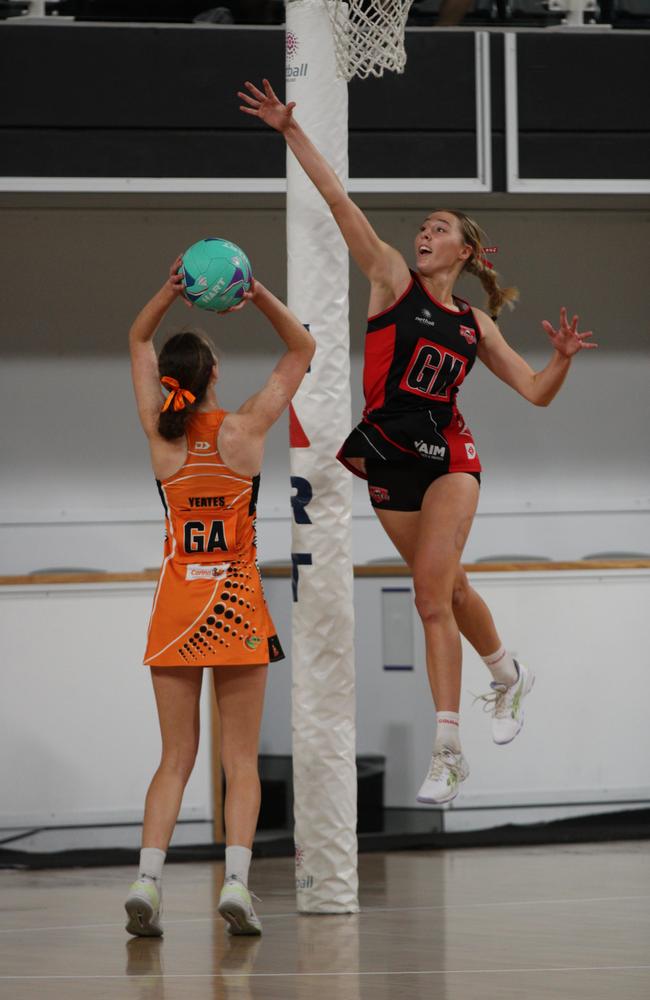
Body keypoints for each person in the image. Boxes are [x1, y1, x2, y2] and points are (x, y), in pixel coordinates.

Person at [239, 78, 597, 805]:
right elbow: (341, 202)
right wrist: (289, 130)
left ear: (466, 249)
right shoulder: (389, 280)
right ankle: (508, 674)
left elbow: (531, 393)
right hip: (385, 453)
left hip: (449, 457)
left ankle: (447, 750)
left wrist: (558, 362)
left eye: (438, 227)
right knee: (451, 587)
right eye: (422, 227)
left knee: (429, 597)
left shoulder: (473, 322)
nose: (423, 234)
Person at [125, 257, 315, 937]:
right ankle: (235, 883)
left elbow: (137, 341)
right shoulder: (245, 431)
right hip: (236, 608)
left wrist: (167, 287)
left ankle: (147, 879)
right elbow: (302, 349)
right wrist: (257, 291)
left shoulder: (160, 436)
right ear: (212, 379)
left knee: (175, 759)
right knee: (241, 762)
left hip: (177, 608)